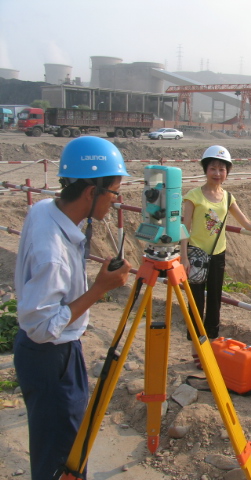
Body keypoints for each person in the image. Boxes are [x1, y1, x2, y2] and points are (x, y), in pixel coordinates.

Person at [13, 136, 132, 480]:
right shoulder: (53, 253)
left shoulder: (44, 210)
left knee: (59, 448)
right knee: (62, 461)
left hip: (54, 356)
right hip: (50, 357)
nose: (114, 202)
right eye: (113, 192)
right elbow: (41, 326)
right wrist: (99, 289)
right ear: (90, 192)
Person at [180, 145, 251, 366]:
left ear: (227, 172)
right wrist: (183, 258)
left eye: (222, 169)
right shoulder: (193, 196)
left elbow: (247, 223)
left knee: (214, 303)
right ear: (205, 169)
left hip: (218, 256)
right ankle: (196, 351)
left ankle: (209, 348)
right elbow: (184, 229)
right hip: (196, 256)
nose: (217, 173)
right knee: (196, 302)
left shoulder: (228, 197)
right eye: (213, 168)